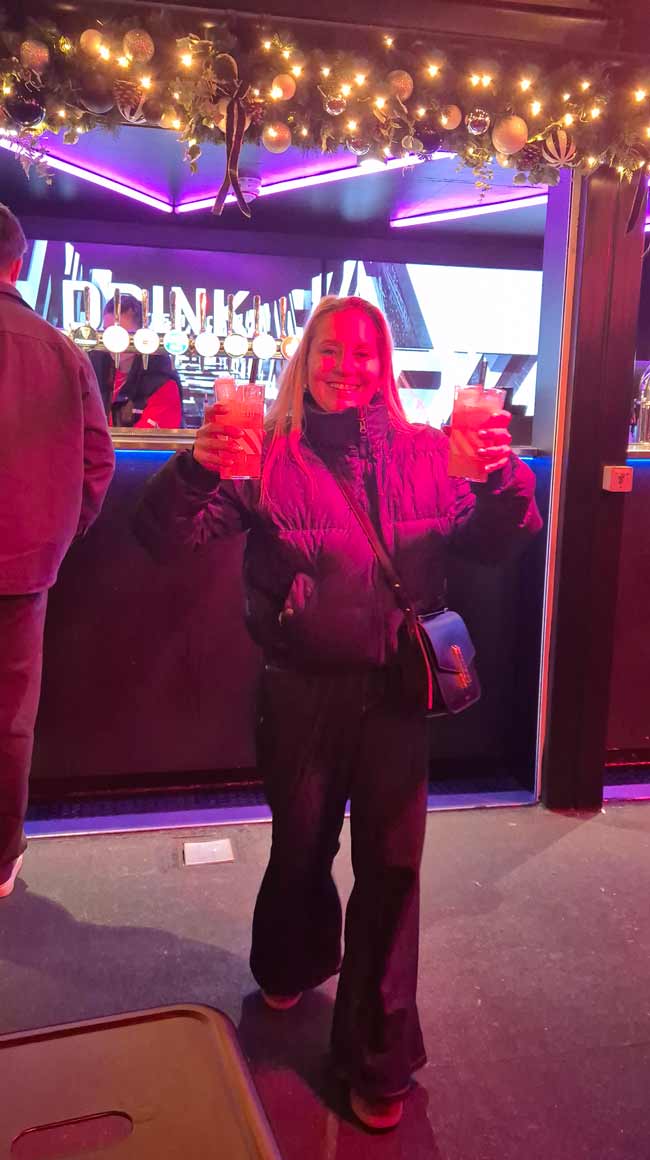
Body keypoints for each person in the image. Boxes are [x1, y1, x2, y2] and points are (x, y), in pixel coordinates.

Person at [135, 295, 542, 1130]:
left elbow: (494, 541)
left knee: (391, 872)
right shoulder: (268, 456)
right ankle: (292, 957)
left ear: (383, 365)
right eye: (329, 350)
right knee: (300, 848)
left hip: (395, 692)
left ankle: (379, 1058)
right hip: (300, 690)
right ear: (305, 359)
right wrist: (195, 468)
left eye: (363, 353)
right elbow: (166, 536)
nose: (345, 367)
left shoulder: (430, 452)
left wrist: (506, 479)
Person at [0, 204, 115, 899]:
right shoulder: (61, 350)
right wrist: (56, 536)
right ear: (17, 264)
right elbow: (97, 464)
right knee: (9, 721)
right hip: (23, 567)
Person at [90, 294, 183, 430]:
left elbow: (146, 441)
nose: (112, 342)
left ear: (141, 335)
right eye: (106, 332)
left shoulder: (163, 382)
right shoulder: (94, 369)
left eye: (121, 334)